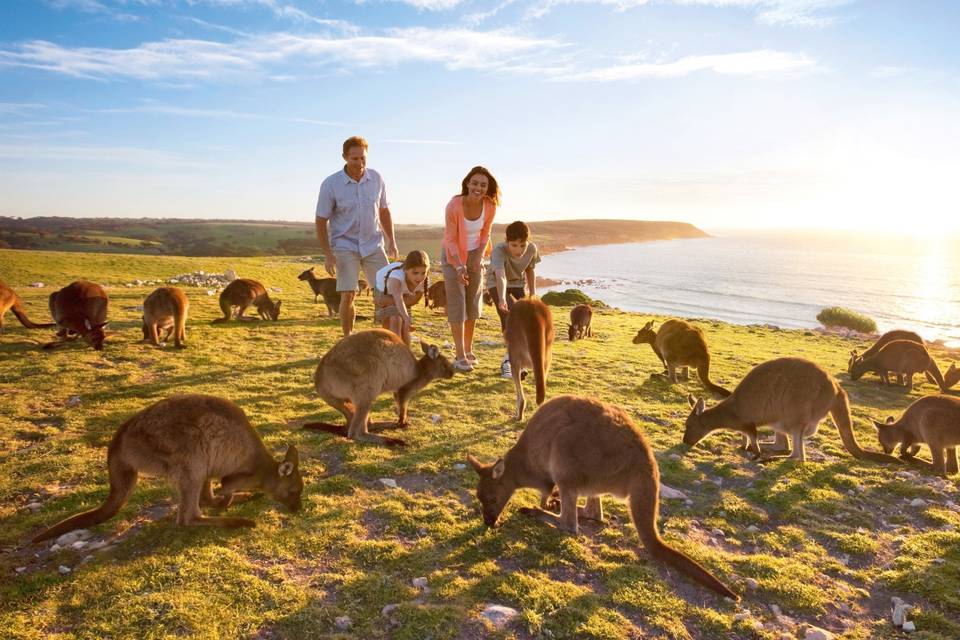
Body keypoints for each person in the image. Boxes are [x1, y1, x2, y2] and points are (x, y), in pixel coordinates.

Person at [316, 136, 399, 337]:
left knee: (386, 293)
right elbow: (320, 220)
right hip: (345, 245)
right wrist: (328, 254)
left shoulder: (377, 179)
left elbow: (384, 211)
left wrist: (392, 241)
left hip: (373, 244)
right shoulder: (331, 184)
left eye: (363, 158)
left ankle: (385, 338)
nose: (360, 163)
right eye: (354, 159)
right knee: (348, 293)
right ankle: (348, 339)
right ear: (345, 157)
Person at [441, 166, 499, 372]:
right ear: (467, 183)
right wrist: (458, 266)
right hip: (452, 255)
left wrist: (479, 256)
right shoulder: (454, 205)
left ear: (487, 187)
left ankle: (468, 347)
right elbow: (449, 239)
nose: (478, 188)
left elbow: (486, 233)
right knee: (458, 303)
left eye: (483, 185)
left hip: (476, 253)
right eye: (475, 183)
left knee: (472, 302)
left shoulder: (490, 205)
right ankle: (459, 354)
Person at [485, 220, 540, 378]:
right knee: (509, 317)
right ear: (506, 241)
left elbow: (530, 270)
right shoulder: (498, 250)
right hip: (496, 283)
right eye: (514, 245)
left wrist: (533, 294)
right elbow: (500, 275)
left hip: (517, 284)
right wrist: (502, 298)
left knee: (525, 321)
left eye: (522, 245)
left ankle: (518, 360)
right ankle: (507, 363)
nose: (519, 250)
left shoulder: (532, 249)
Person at [374, 250, 430, 346]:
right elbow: (398, 298)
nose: (419, 278)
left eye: (423, 273)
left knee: (405, 326)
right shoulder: (396, 276)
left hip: (402, 295)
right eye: (415, 273)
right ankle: (396, 351)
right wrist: (406, 317)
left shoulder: (425, 282)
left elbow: (414, 300)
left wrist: (406, 318)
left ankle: (406, 355)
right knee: (396, 319)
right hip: (385, 291)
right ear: (406, 270)